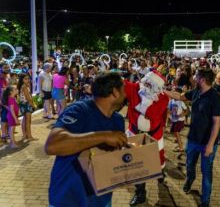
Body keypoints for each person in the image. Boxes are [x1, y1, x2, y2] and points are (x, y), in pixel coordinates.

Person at [44, 72, 128, 207]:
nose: (126, 94)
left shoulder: (118, 120)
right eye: (123, 89)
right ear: (115, 92)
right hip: (68, 199)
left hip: (101, 199)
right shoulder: (79, 110)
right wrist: (103, 136)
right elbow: (52, 145)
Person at [165, 68, 220, 207]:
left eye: (196, 76)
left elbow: (217, 123)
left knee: (206, 171)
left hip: (208, 142)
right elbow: (180, 96)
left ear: (202, 79)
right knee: (190, 165)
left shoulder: (215, 97)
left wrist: (210, 145)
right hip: (193, 139)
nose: (193, 78)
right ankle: (190, 179)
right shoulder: (196, 91)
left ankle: (205, 201)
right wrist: (163, 91)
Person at [124, 70, 169, 206]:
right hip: (135, 134)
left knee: (158, 159)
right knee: (137, 165)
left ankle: (160, 172)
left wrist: (142, 100)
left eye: (150, 85)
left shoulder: (163, 98)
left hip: (153, 135)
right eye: (146, 83)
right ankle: (140, 193)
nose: (146, 86)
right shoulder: (134, 88)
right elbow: (119, 83)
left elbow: (151, 113)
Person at [18, 74, 37, 141]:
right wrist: (33, 105)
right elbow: (28, 98)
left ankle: (24, 135)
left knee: (24, 120)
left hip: (23, 104)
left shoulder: (24, 86)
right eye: (25, 79)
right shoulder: (24, 86)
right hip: (27, 104)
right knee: (28, 121)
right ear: (22, 80)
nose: (28, 80)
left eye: (28, 78)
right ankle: (29, 136)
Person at [168, 87, 188, 152]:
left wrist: (183, 114)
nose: (172, 94)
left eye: (174, 93)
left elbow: (186, 110)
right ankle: (178, 142)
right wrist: (170, 113)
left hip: (180, 120)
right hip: (174, 119)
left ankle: (181, 147)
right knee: (174, 132)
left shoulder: (181, 102)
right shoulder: (171, 101)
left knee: (177, 132)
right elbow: (169, 109)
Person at [0, 63, 10, 143]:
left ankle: (6, 133)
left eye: (7, 67)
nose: (6, 68)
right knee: (3, 119)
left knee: (5, 118)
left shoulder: (7, 77)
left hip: (6, 100)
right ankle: (3, 134)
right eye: (4, 67)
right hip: (2, 102)